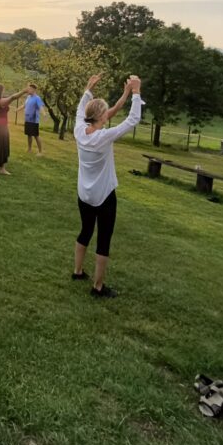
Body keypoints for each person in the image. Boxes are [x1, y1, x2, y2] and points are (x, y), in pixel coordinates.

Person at [72, 74, 144, 298]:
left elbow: (81, 108)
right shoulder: (104, 137)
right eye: (106, 113)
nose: (108, 114)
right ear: (101, 117)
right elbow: (132, 120)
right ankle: (98, 287)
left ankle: (77, 271)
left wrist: (89, 88)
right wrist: (136, 92)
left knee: (85, 230)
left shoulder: (79, 129)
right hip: (103, 197)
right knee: (103, 239)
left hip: (84, 195)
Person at [0, 82, 27, 175]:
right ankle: (2, 169)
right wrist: (24, 91)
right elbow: (13, 97)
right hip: (1, 127)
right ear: (0, 91)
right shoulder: (2, 102)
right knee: (2, 145)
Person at [18, 83, 45, 155]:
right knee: (29, 135)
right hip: (27, 119)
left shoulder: (37, 98)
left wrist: (44, 114)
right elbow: (24, 105)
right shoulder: (28, 97)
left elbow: (41, 107)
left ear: (33, 89)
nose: (28, 90)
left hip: (34, 120)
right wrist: (17, 109)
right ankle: (29, 149)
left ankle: (40, 152)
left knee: (36, 136)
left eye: (29, 89)